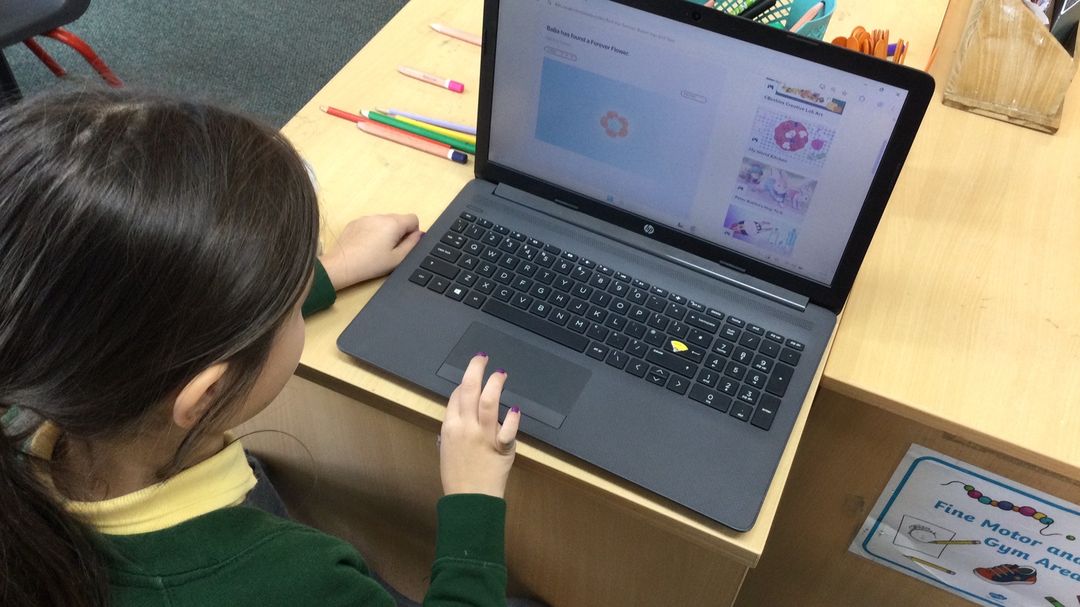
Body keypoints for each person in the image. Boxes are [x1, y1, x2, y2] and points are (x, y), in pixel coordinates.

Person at [0, 89, 523, 607]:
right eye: (290, 306)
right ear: (208, 394)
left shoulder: (39, 375)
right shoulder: (302, 580)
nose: (299, 300)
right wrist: (472, 497)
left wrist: (335, 269)